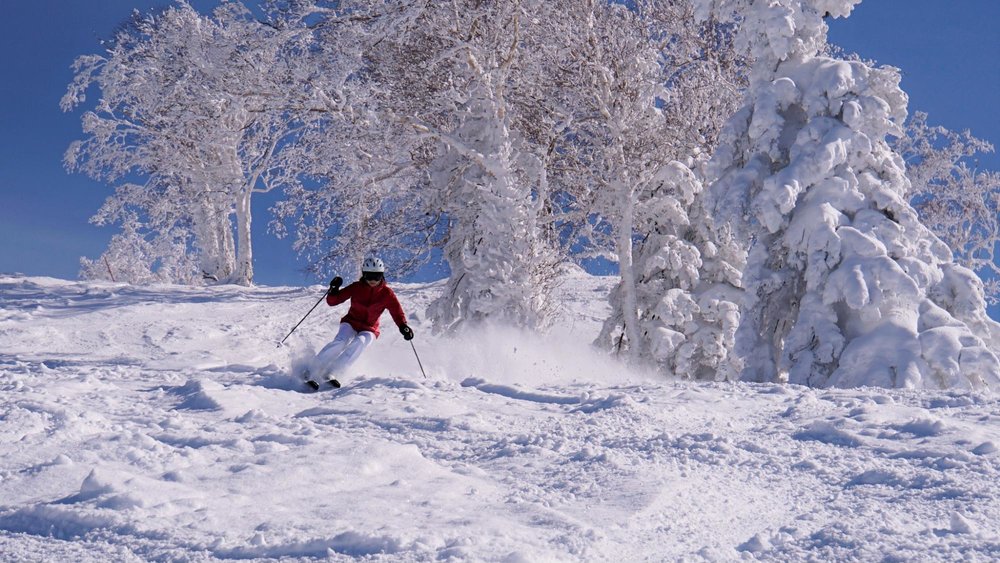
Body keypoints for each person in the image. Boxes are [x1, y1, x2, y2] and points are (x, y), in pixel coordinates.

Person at [304, 256, 414, 390]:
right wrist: (333, 290)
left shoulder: (387, 294)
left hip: (370, 328)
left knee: (362, 342)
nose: (373, 280)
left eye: (377, 276)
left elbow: (397, 312)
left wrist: (403, 326)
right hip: (351, 322)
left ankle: (332, 372)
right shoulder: (356, 287)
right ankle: (311, 369)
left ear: (382, 276)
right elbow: (333, 301)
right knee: (341, 341)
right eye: (369, 276)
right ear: (364, 274)